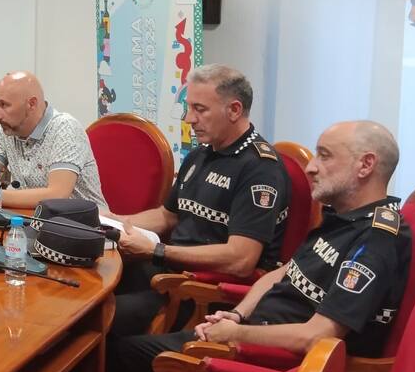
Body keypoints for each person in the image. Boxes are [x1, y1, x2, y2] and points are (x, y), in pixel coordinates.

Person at [103, 120, 410, 372]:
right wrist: (237, 315)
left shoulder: (377, 241)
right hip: (250, 340)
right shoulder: (343, 218)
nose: (311, 167)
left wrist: (238, 333)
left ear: (366, 165)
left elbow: (316, 336)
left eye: (325, 155)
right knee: (114, 355)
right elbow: (280, 273)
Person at [107, 64, 290, 337]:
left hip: (200, 291)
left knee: (97, 318)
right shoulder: (202, 153)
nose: (188, 118)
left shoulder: (261, 169)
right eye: (188, 107)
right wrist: (116, 221)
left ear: (234, 110)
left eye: (199, 109)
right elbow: (167, 216)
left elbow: (241, 259)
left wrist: (157, 251)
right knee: (86, 290)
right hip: (168, 270)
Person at [0, 71, 107, 210]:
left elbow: (58, 194)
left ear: (31, 104)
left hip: (85, 226)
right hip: (32, 218)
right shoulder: (7, 128)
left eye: (4, 105)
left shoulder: (65, 128)